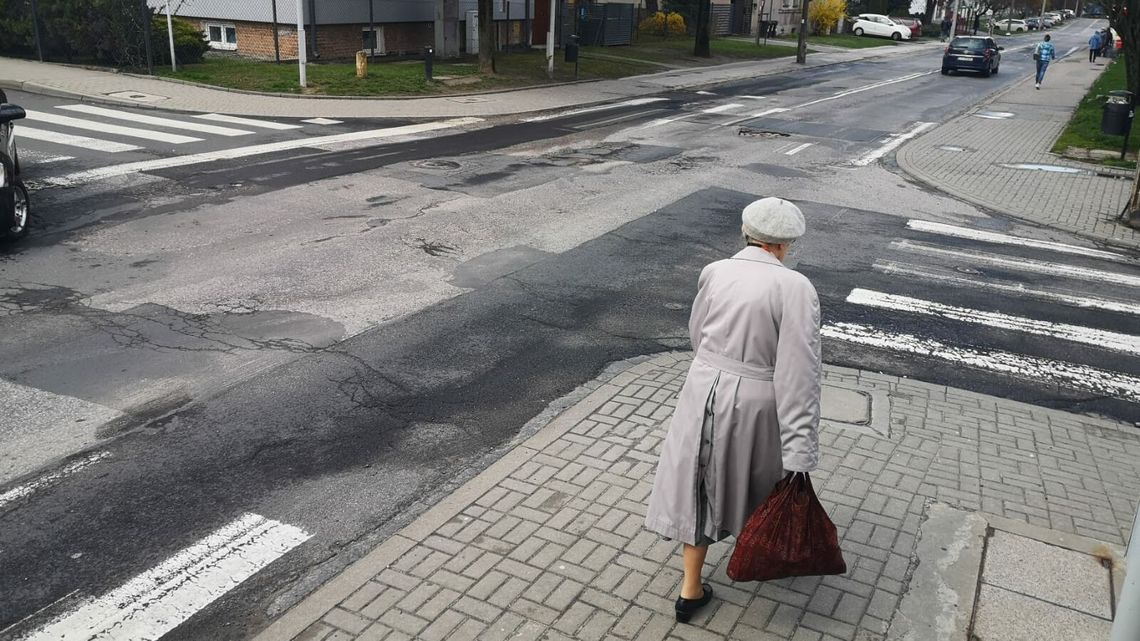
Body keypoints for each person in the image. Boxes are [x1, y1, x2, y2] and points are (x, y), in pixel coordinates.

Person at [644, 197, 821, 624]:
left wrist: (714, 368)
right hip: (757, 402)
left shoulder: (716, 271)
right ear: (785, 244)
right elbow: (799, 373)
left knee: (697, 482)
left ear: (746, 232)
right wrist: (800, 451)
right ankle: (754, 555)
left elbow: (696, 331)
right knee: (755, 486)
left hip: (702, 388)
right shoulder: (795, 288)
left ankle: (690, 588)